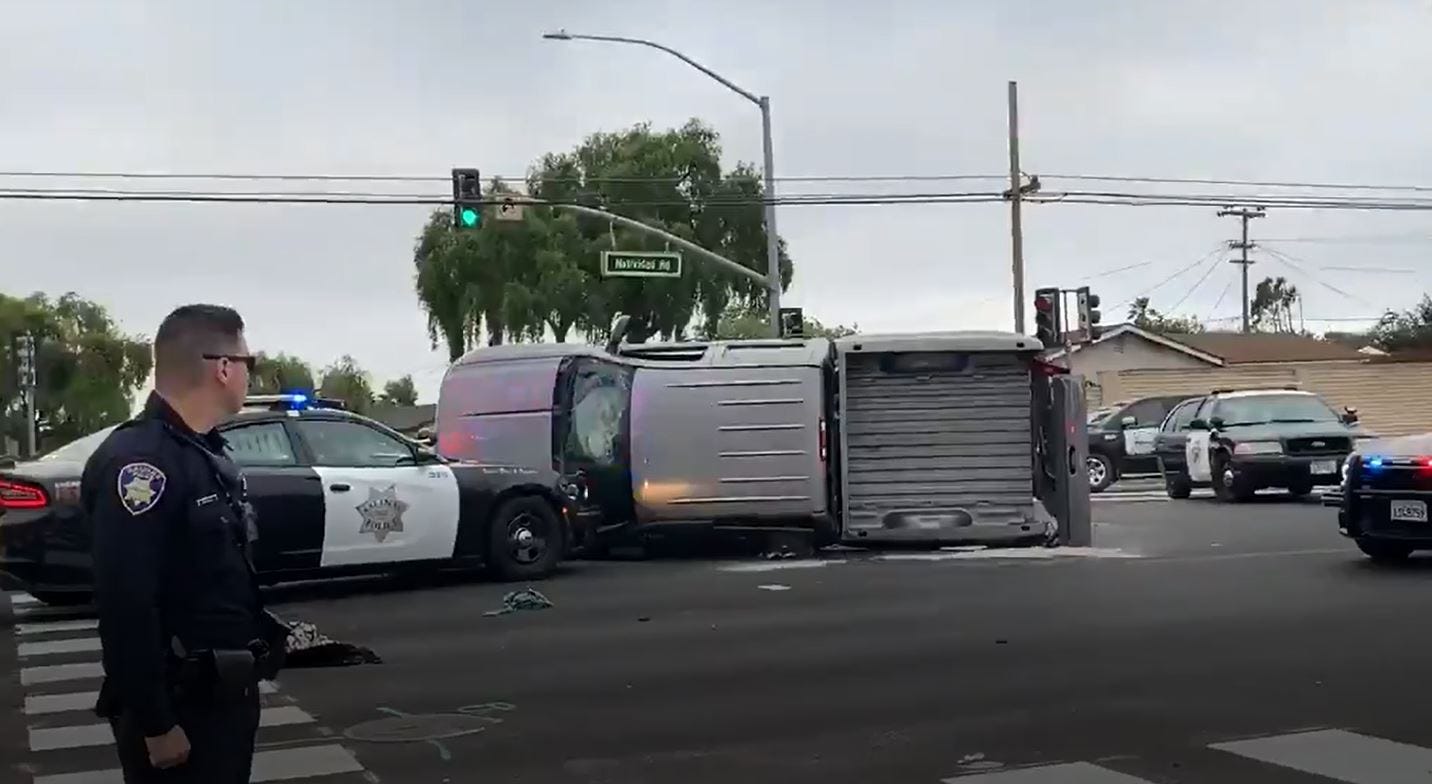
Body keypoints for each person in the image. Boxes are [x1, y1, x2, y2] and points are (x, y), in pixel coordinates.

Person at [82, 304, 284, 783]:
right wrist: (156, 723)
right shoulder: (141, 465)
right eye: (247, 364)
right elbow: (127, 603)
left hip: (222, 697)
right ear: (222, 368)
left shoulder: (204, 451)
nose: (249, 376)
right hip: (182, 709)